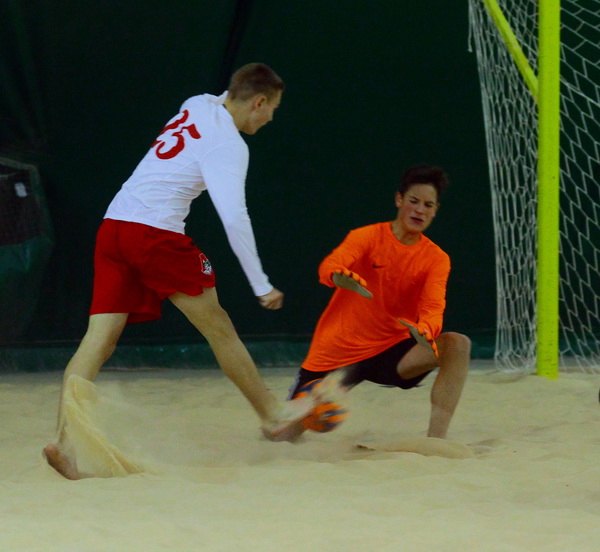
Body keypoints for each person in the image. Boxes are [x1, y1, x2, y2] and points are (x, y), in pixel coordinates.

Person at [43, 63, 313, 479]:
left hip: (113, 227)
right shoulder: (230, 145)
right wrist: (260, 282)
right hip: (154, 235)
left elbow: (216, 100)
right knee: (219, 328)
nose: (271, 118)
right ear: (258, 102)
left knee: (97, 339)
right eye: (272, 109)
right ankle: (273, 416)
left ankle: (64, 443)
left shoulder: (198, 104)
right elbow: (233, 217)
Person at [286, 164, 471, 441]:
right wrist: (337, 276)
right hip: (340, 350)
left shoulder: (436, 258)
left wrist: (427, 328)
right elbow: (330, 265)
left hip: (391, 350)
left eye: (428, 205)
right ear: (399, 199)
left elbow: (433, 306)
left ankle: (436, 440)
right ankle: (290, 423)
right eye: (414, 201)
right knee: (283, 434)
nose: (420, 210)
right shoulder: (366, 236)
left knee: (457, 344)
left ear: (435, 210)